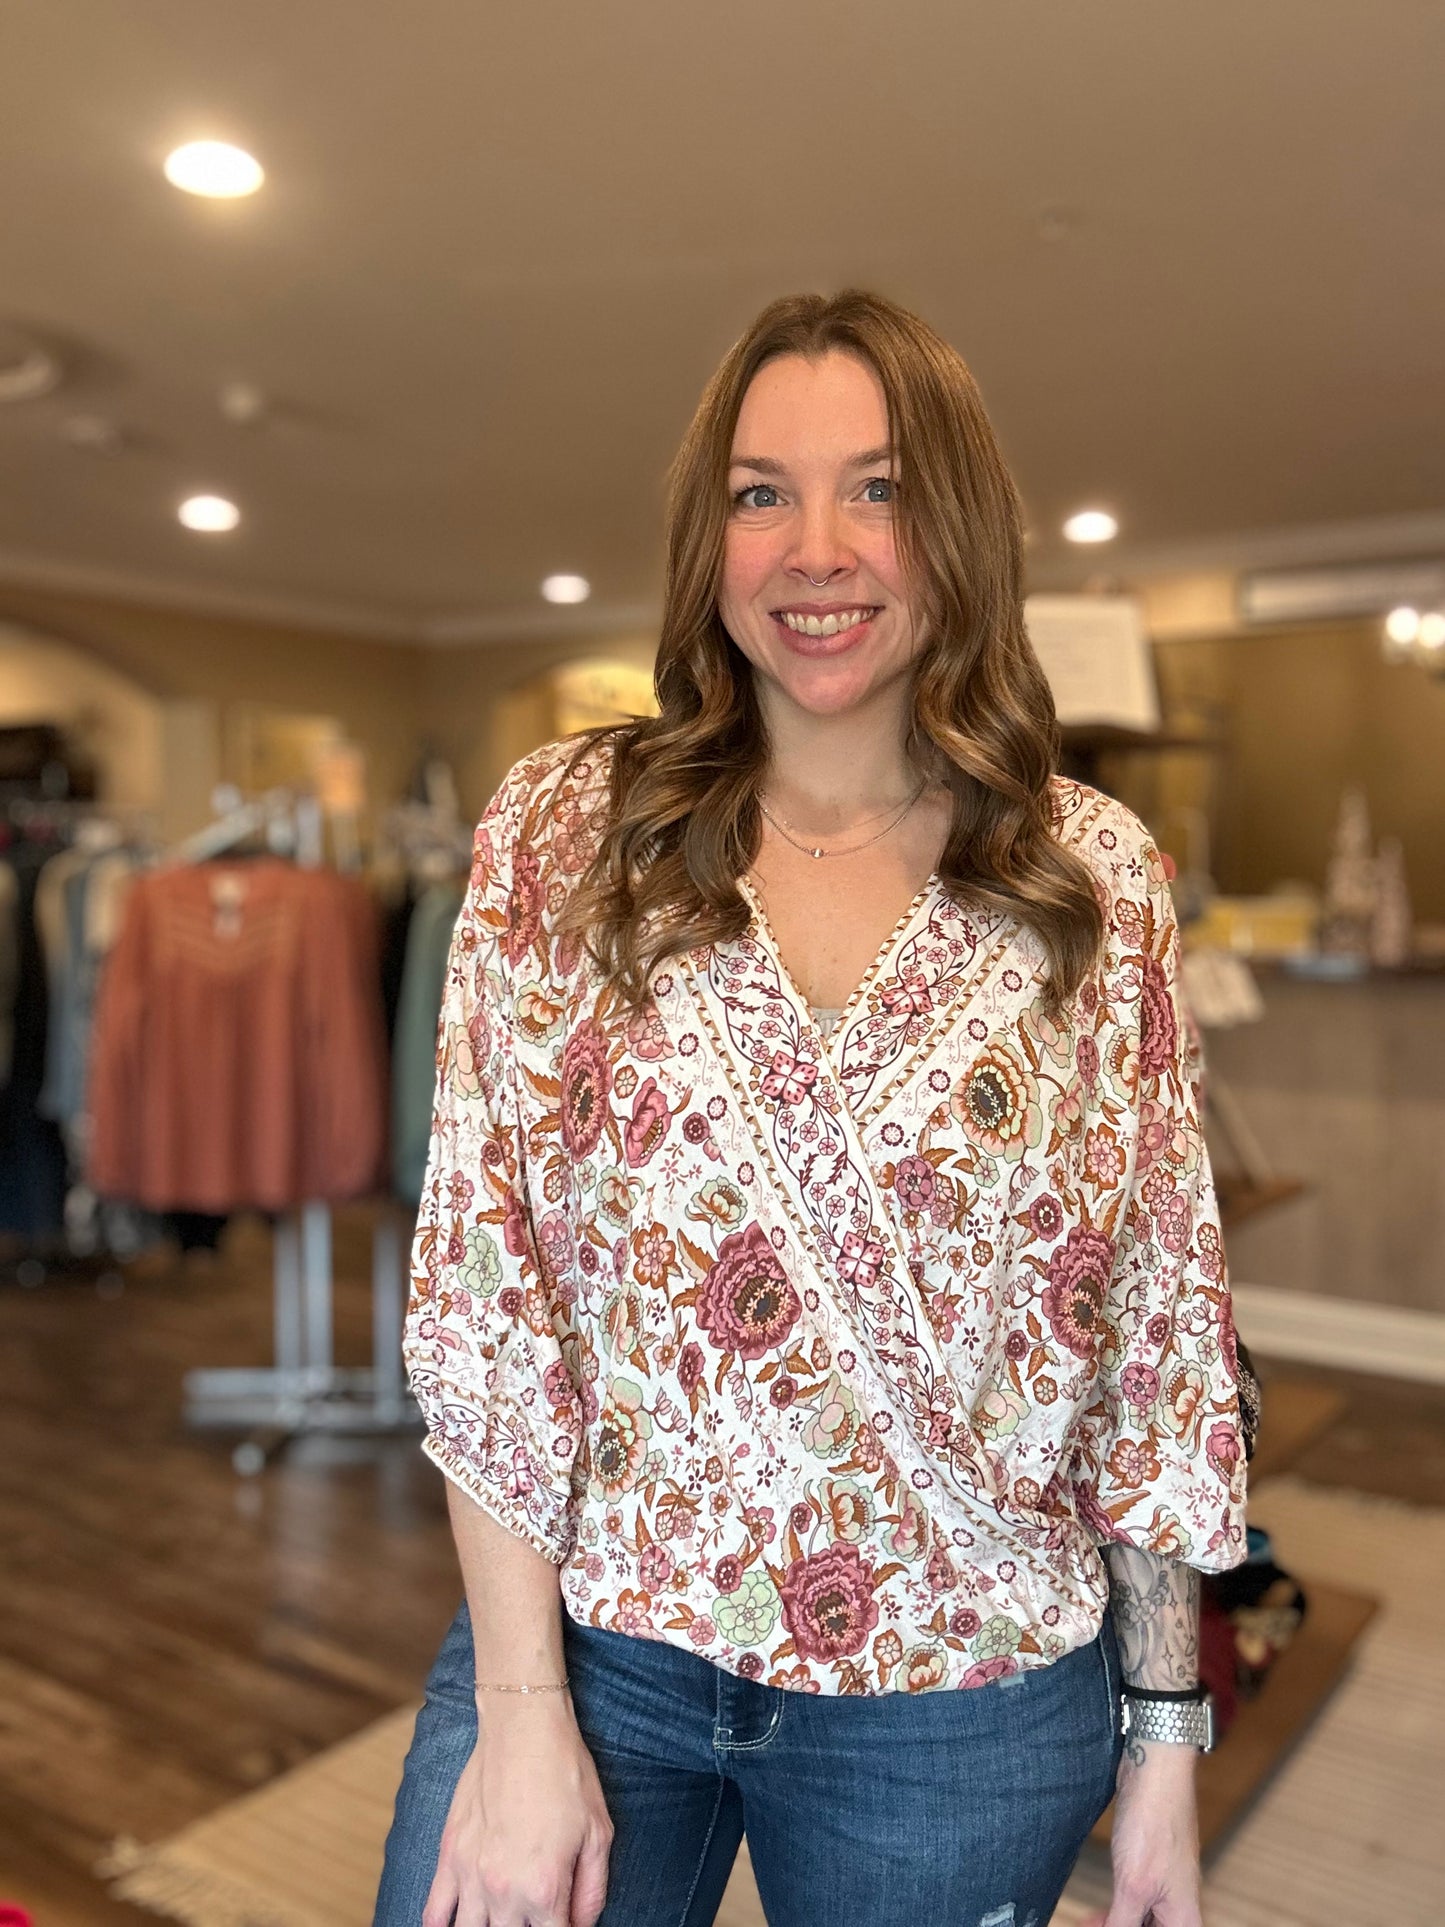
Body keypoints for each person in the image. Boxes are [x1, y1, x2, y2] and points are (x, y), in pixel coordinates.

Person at [376, 290, 1247, 1927]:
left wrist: (1163, 1763)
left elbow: (1160, 1336)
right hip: (599, 1650)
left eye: (882, 486)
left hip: (968, 1694)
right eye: (761, 492)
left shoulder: (1089, 876)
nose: (815, 547)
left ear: (963, 532)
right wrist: (522, 1716)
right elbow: (486, 1294)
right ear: (711, 541)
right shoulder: (568, 833)